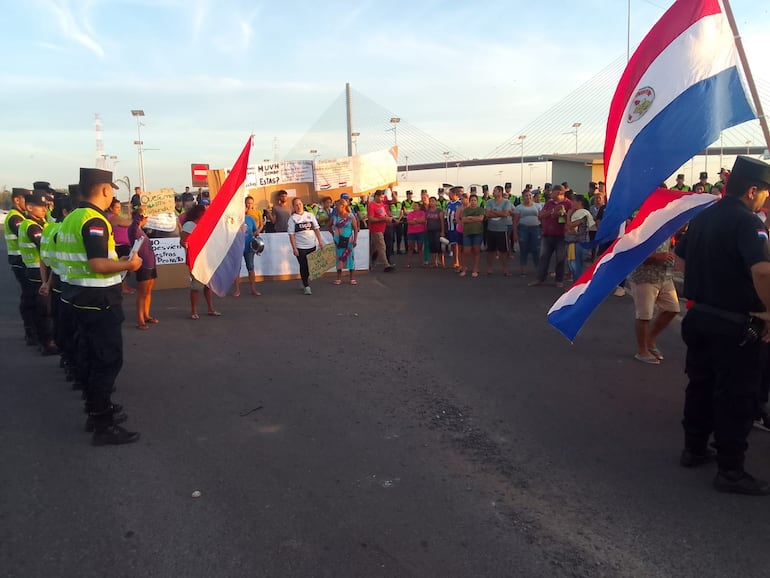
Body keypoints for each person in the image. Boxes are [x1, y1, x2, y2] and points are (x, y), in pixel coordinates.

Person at [675, 155, 770, 495]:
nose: (765, 200)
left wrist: (707, 282)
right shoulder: (748, 222)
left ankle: (695, 448)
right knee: (736, 396)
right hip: (735, 324)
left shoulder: (705, 216)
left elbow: (680, 256)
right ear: (753, 190)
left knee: (700, 385)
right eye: (765, 193)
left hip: (701, 315)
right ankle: (731, 470)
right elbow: (762, 270)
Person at [58, 168, 142, 445]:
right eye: (112, 190)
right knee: (106, 361)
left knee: (91, 358)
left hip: (76, 298)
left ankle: (97, 410)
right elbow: (97, 263)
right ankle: (102, 424)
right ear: (105, 190)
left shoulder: (71, 218)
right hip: (98, 301)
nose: (112, 195)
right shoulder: (94, 220)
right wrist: (128, 264)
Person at [628, 239, 679, 364]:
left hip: (664, 277)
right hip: (644, 277)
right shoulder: (640, 228)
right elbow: (633, 252)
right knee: (644, 316)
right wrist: (656, 256)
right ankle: (642, 350)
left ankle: (650, 339)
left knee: (672, 309)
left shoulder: (665, 226)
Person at [18, 191, 57, 355]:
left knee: (35, 305)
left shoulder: (39, 223)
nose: (44, 209)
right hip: (37, 271)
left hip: (33, 269)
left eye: (45, 206)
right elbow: (43, 245)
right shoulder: (31, 226)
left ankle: (37, 336)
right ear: (29, 207)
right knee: (43, 308)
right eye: (40, 207)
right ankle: (47, 342)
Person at [4, 188, 36, 344]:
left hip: (24, 260)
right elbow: (27, 235)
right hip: (20, 261)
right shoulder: (15, 218)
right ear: (17, 200)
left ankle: (32, 330)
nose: (28, 203)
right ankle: (31, 331)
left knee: (31, 296)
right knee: (29, 297)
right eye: (26, 199)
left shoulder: (21, 216)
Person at [180, 204, 221, 318]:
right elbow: (182, 241)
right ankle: (194, 311)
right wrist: (186, 244)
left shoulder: (206, 225)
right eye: (204, 211)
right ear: (199, 213)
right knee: (196, 287)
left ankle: (210, 309)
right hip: (196, 260)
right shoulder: (189, 225)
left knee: (208, 285)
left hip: (207, 259)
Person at [530, 184, 571, 287]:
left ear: (558, 193)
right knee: (543, 257)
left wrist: (563, 213)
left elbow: (571, 219)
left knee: (560, 258)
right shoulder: (549, 203)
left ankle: (559, 280)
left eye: (552, 191)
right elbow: (541, 215)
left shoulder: (568, 204)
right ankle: (540, 278)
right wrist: (553, 211)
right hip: (547, 235)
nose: (549, 193)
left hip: (561, 235)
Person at [127, 208, 158, 329]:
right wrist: (140, 212)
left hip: (150, 264)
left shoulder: (141, 230)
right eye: (145, 218)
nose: (147, 220)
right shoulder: (133, 229)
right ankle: (140, 320)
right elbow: (135, 223)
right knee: (142, 293)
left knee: (148, 292)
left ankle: (146, 315)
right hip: (143, 265)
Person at [287, 198, 325, 295]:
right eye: (296, 204)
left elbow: (316, 229)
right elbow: (291, 235)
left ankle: (304, 280)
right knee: (303, 266)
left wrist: (320, 242)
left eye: (300, 204)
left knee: (310, 266)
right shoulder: (292, 219)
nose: (298, 206)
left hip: (311, 245)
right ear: (293, 207)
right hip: (300, 247)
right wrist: (294, 248)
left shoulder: (310, 215)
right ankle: (306, 285)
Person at [234, 197, 262, 297]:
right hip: (237, 247)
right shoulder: (234, 219)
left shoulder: (250, 219)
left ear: (246, 209)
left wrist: (256, 233)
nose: (244, 209)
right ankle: (237, 290)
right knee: (236, 269)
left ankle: (253, 289)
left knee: (251, 268)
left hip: (249, 247)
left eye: (245, 207)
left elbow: (255, 231)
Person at [107, 198, 135, 295]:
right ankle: (122, 287)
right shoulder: (113, 217)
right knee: (122, 267)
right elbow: (129, 223)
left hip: (123, 245)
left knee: (125, 268)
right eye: (116, 207)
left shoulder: (116, 216)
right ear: (110, 208)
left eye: (119, 207)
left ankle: (125, 286)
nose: (118, 209)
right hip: (119, 245)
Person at [564, 197, 594, 281]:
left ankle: (577, 284)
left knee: (576, 265)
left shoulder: (583, 214)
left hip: (577, 242)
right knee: (571, 264)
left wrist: (568, 215)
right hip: (571, 242)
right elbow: (567, 226)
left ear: (579, 202)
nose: (572, 204)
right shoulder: (576, 213)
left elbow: (570, 225)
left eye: (574, 201)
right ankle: (575, 283)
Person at [484, 185, 512, 275]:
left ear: (500, 192)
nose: (493, 192)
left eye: (495, 190)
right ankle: (489, 268)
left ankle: (505, 269)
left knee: (503, 251)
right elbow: (487, 214)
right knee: (490, 251)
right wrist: (499, 213)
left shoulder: (506, 202)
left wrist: (494, 212)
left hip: (502, 229)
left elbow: (505, 214)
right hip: (491, 229)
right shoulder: (489, 202)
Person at [513, 189, 541, 276]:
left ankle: (538, 269)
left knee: (536, 249)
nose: (528, 197)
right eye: (526, 196)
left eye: (530, 195)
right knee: (523, 249)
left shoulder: (538, 206)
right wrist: (515, 233)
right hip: (523, 229)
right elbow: (515, 221)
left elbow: (541, 218)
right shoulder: (519, 208)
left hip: (535, 228)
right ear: (523, 197)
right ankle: (523, 270)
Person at [366, 190, 395, 272]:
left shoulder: (381, 204)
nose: (382, 199)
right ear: (376, 196)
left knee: (374, 247)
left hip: (382, 228)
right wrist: (383, 219)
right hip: (376, 229)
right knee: (382, 246)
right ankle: (386, 265)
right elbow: (371, 218)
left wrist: (390, 218)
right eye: (381, 197)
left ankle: (366, 261)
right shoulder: (371, 205)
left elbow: (384, 214)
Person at [331, 198, 359, 285]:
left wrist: (355, 240)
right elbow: (329, 226)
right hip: (338, 241)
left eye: (338, 205)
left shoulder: (350, 216)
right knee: (339, 259)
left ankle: (352, 278)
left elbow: (355, 228)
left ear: (343, 206)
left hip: (349, 241)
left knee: (350, 258)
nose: (336, 207)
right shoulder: (335, 217)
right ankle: (339, 278)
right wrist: (334, 235)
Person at [461, 194, 485, 277]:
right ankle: (464, 268)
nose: (473, 202)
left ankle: (475, 269)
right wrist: (475, 218)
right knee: (466, 251)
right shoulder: (466, 210)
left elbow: (481, 219)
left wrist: (470, 218)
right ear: (469, 201)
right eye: (472, 200)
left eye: (475, 200)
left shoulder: (480, 209)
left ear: (477, 201)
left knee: (476, 251)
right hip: (467, 233)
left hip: (477, 233)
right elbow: (463, 220)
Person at [445, 187, 463, 269]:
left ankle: (459, 261)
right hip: (450, 228)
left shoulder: (459, 203)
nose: (449, 195)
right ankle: (455, 260)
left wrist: (459, 220)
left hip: (457, 228)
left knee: (458, 245)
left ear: (455, 194)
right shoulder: (448, 203)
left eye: (450, 194)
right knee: (452, 245)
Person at [425, 196, 445, 267]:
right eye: (430, 201)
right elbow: (426, 221)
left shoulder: (439, 211)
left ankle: (442, 262)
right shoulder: (427, 211)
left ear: (436, 202)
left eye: (433, 201)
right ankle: (435, 262)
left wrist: (442, 231)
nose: (431, 203)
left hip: (437, 230)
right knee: (432, 246)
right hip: (430, 230)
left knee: (438, 246)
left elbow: (442, 221)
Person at [405, 201, 426, 268]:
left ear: (419, 207)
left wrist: (415, 220)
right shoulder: (410, 213)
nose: (414, 207)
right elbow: (409, 222)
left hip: (420, 232)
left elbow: (423, 220)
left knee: (420, 248)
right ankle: (408, 263)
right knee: (410, 248)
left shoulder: (422, 213)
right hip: (411, 232)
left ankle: (422, 263)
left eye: (416, 205)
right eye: (414, 206)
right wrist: (418, 221)